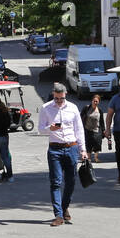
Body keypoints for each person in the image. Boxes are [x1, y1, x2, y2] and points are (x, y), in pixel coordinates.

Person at [38, 83, 89, 225]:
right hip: (55, 149)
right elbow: (40, 129)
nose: (59, 101)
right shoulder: (46, 108)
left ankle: (64, 206)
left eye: (61, 98)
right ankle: (58, 215)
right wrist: (50, 128)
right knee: (56, 182)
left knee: (71, 181)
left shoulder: (72, 108)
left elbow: (79, 130)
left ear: (65, 94)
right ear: (53, 95)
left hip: (71, 147)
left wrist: (83, 150)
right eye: (56, 98)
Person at [82, 95, 105, 163]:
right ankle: (89, 158)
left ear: (99, 102)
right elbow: (81, 117)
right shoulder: (86, 108)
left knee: (97, 143)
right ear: (92, 101)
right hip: (87, 129)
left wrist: (103, 130)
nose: (95, 102)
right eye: (94, 101)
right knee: (88, 144)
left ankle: (96, 158)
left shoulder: (99, 111)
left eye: (97, 101)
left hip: (97, 130)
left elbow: (101, 121)